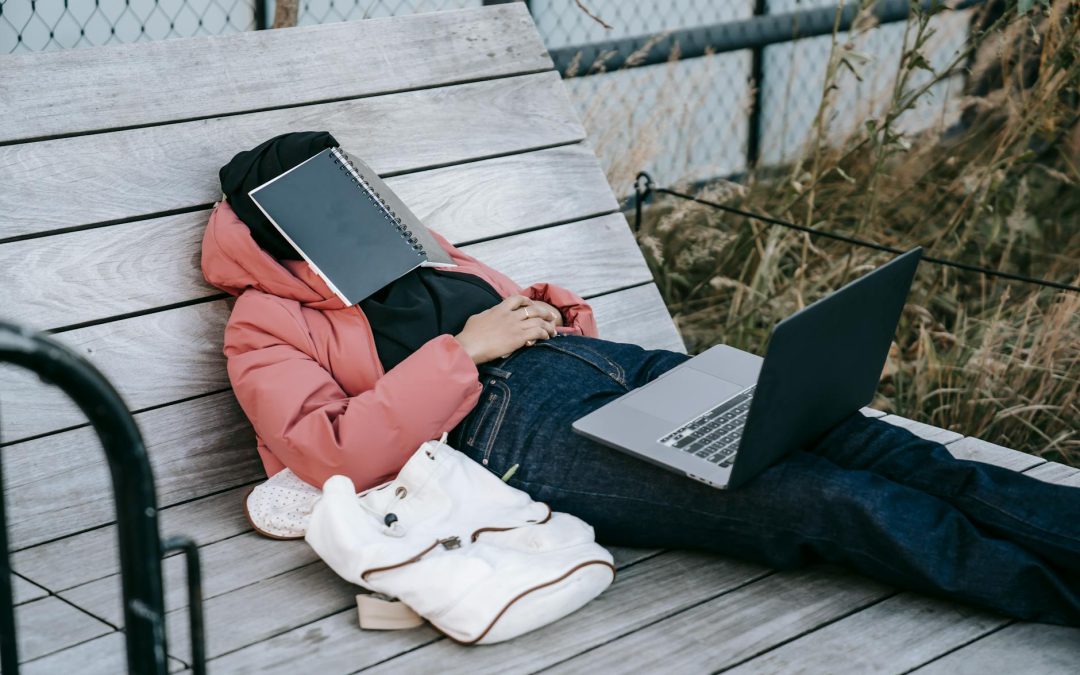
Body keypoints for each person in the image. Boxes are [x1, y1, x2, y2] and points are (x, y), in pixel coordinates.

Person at [202, 131, 1080, 627]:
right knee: (820, 494)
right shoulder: (265, 323)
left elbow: (500, 313)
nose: (358, 206)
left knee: (868, 437)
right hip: (508, 433)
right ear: (275, 230)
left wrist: (545, 308)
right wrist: (463, 351)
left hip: (604, 368)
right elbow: (327, 454)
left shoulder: (407, 248)